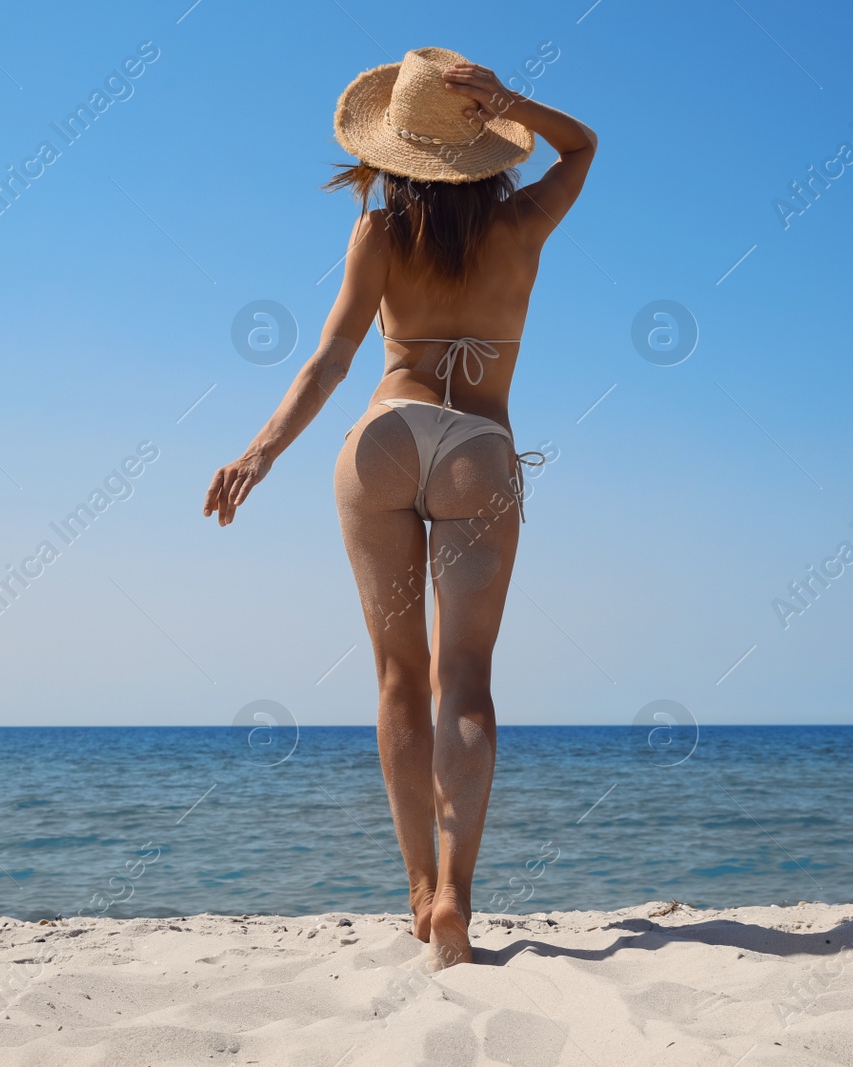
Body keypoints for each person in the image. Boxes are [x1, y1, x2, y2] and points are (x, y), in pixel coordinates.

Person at [204, 46, 596, 969]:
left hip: (381, 439)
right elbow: (581, 148)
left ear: (398, 145)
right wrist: (516, 103)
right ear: (485, 141)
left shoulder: (379, 232)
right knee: (464, 673)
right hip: (478, 453)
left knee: (395, 673)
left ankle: (418, 890)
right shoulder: (524, 221)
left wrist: (260, 450)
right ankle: (458, 896)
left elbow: (332, 360)